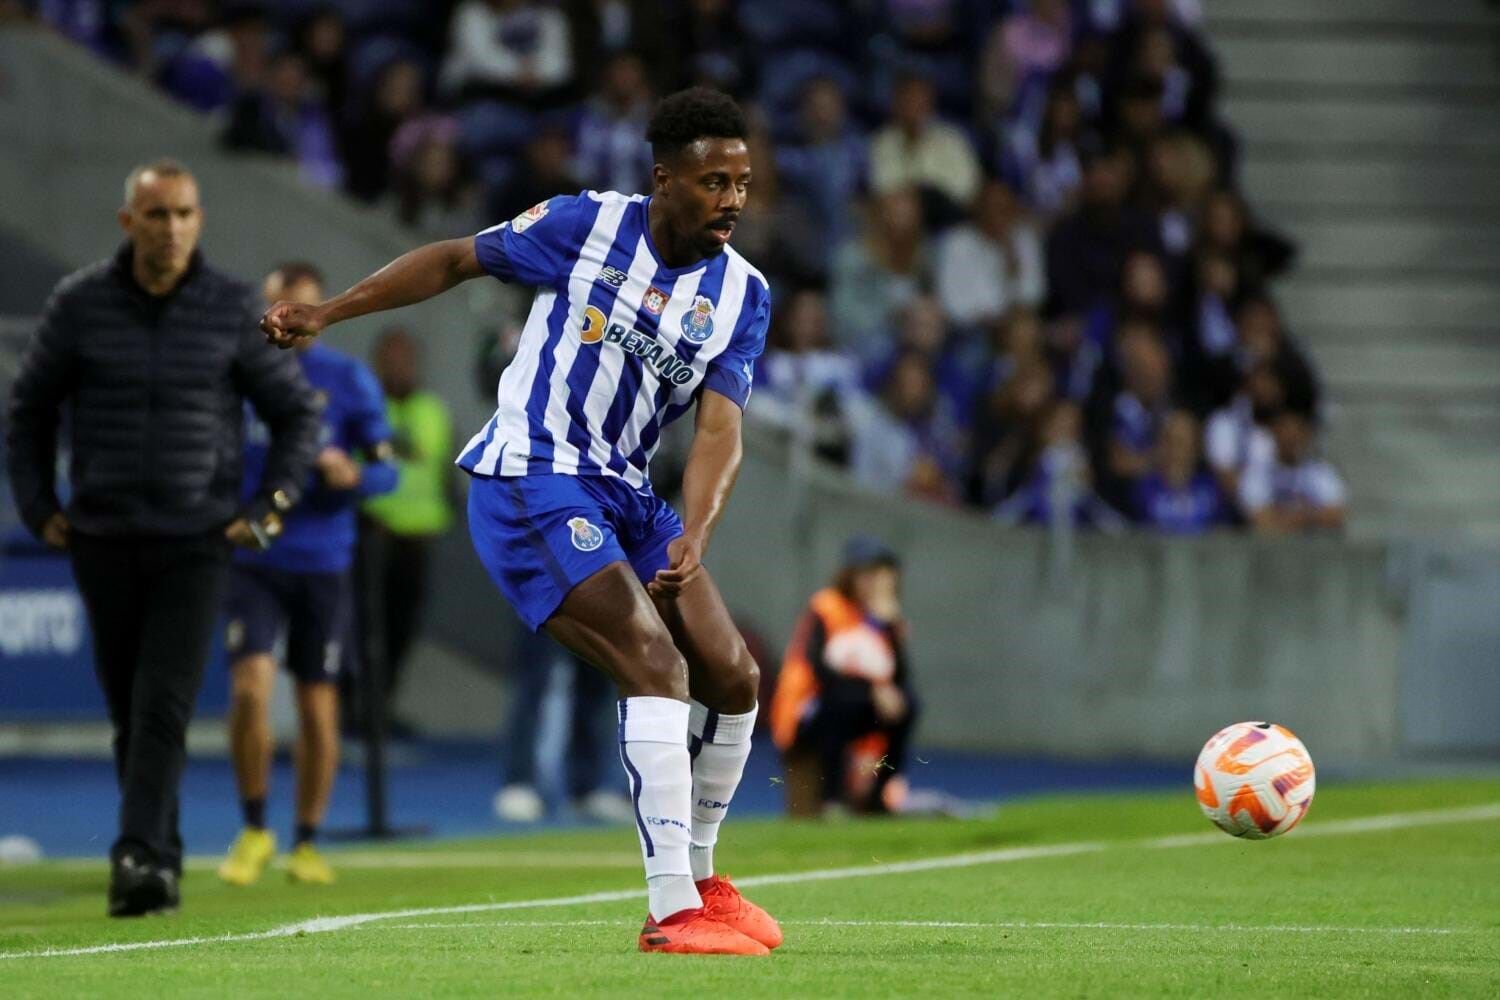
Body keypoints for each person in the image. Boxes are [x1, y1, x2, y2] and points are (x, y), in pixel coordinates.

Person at [261, 88, 780, 956]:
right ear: (664, 179)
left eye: (743, 182)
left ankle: (701, 880)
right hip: (533, 474)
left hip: (625, 491)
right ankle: (669, 909)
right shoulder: (585, 225)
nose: (733, 199)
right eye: (714, 181)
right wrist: (328, 312)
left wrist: (698, 530)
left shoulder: (743, 295)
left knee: (733, 677)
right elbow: (454, 260)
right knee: (654, 664)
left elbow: (720, 428)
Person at [5, 159, 320, 916]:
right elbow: (28, 410)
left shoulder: (231, 305)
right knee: (131, 710)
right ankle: (162, 857)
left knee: (162, 702)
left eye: (182, 214)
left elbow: (296, 414)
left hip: (196, 538)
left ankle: (136, 853)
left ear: (199, 220)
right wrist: (38, 504)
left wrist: (269, 506)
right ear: (128, 222)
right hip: (102, 535)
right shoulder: (79, 303)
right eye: (156, 215)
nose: (171, 228)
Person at [217, 263, 398, 888]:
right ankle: (254, 829)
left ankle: (307, 840)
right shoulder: (237, 376)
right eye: (278, 310)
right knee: (249, 690)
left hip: (323, 560)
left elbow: (387, 470)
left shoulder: (347, 380)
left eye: (301, 311)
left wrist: (356, 474)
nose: (287, 323)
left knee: (318, 707)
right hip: (254, 558)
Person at [770, 536, 918, 815]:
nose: (875, 583)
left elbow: (897, 678)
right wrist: (872, 689)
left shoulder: (882, 617)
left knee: (907, 704)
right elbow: (820, 669)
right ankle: (832, 800)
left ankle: (878, 796)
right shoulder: (827, 606)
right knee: (841, 703)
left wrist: (890, 629)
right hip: (807, 709)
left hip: (857, 706)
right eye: (868, 574)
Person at [362, 329, 456, 723]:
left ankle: (381, 708)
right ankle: (357, 708)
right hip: (371, 535)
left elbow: (433, 459)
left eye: (404, 358)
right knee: (364, 627)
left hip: (416, 540)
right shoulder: (364, 404)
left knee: (402, 627)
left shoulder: (432, 410)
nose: (397, 366)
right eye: (390, 358)